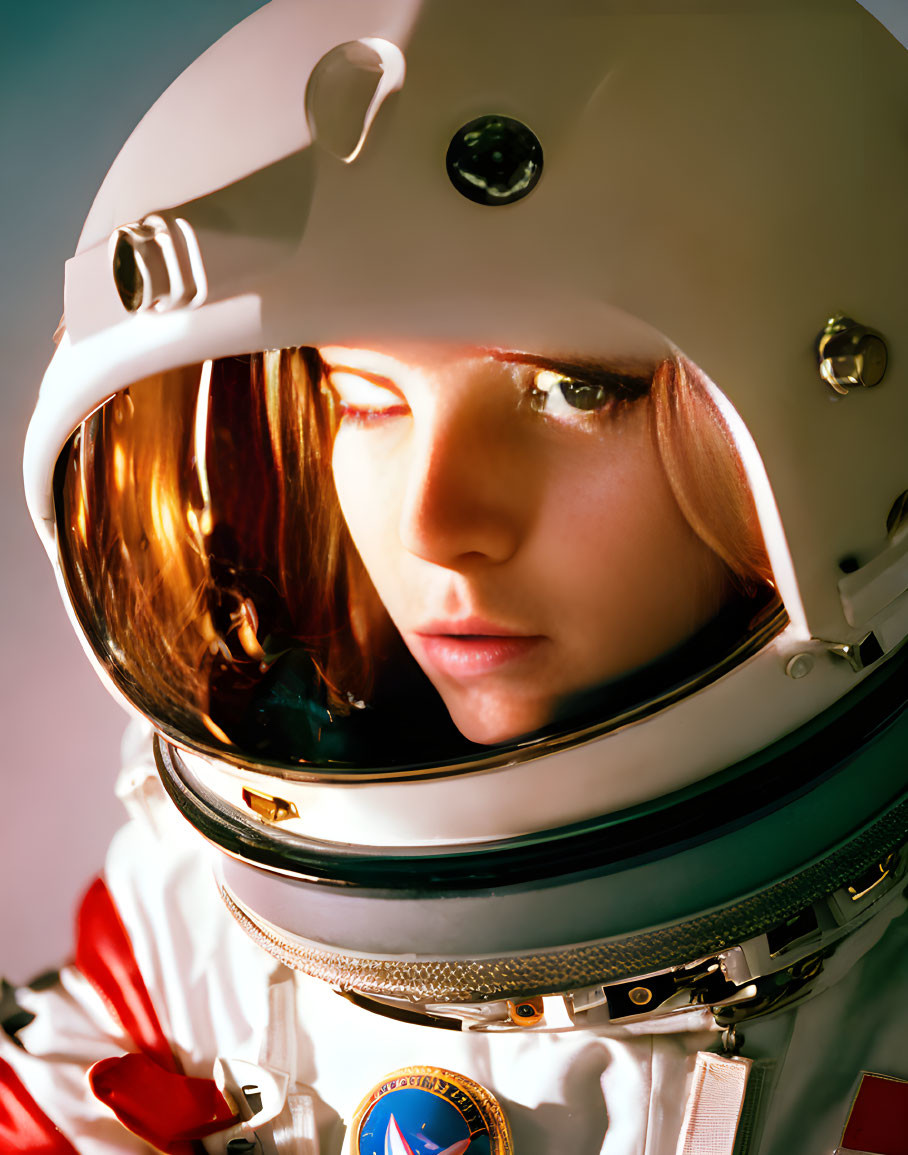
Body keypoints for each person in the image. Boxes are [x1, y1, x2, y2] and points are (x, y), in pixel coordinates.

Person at [5, 1, 907, 1153]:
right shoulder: (186, 951)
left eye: (570, 391)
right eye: (364, 400)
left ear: (857, 433)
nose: (435, 525)